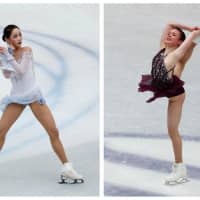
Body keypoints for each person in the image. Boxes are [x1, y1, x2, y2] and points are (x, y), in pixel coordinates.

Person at [0, 24, 83, 184]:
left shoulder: (27, 51)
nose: (19, 38)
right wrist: (3, 58)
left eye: (20, 35)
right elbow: (7, 74)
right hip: (17, 97)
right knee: (0, 131)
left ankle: (67, 168)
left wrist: (7, 57)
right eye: (15, 36)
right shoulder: (7, 54)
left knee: (53, 131)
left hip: (33, 96)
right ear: (7, 39)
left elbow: (22, 70)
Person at [138, 22, 200, 185]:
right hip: (163, 85)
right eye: (169, 34)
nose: (169, 35)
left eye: (173, 35)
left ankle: (180, 169)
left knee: (173, 131)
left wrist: (193, 35)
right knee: (171, 132)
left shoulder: (176, 55)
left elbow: (186, 44)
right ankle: (180, 169)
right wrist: (188, 29)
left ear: (179, 42)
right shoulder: (162, 48)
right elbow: (169, 24)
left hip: (176, 95)